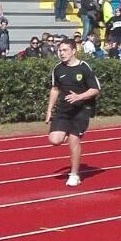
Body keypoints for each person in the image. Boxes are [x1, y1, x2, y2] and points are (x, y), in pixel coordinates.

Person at [45, 38, 101, 187]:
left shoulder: (84, 67)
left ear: (74, 51)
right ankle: (66, 133)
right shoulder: (57, 69)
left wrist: (79, 97)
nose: (61, 53)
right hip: (64, 110)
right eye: (59, 50)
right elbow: (55, 89)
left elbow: (95, 89)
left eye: (65, 50)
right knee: (55, 140)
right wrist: (49, 110)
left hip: (81, 110)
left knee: (74, 140)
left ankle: (74, 174)